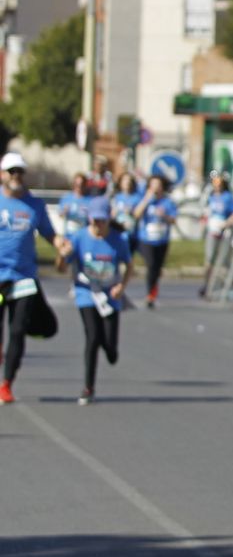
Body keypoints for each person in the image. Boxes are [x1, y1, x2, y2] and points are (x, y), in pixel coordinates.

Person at [0, 152, 72, 404]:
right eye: (11, 172)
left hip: (23, 278)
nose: (16, 176)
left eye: (19, 171)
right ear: (2, 175)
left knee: (18, 330)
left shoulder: (35, 205)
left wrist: (59, 244)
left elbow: (49, 233)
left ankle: (6, 384)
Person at [65, 197, 132, 405]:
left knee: (110, 348)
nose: (98, 225)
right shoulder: (79, 238)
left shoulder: (118, 240)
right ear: (89, 219)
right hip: (86, 292)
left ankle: (110, 347)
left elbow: (129, 266)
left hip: (109, 296)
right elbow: (63, 263)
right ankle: (88, 386)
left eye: (102, 221)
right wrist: (62, 255)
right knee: (92, 337)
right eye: (95, 221)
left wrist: (122, 287)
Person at [133, 174, 179, 308]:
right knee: (151, 264)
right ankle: (149, 293)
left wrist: (164, 215)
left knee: (157, 268)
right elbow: (136, 214)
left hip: (161, 239)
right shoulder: (145, 200)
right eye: (153, 185)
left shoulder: (167, 202)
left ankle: (153, 290)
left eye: (158, 185)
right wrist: (147, 199)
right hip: (146, 238)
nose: (155, 188)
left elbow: (174, 220)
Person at [202, 173, 233, 271]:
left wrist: (226, 223)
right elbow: (207, 212)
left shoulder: (228, 197)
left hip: (224, 231)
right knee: (209, 257)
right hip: (212, 230)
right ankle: (208, 284)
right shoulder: (210, 197)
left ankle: (231, 283)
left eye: (219, 183)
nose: (217, 186)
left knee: (225, 258)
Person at [58, 173, 93, 240]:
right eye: (77, 184)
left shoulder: (90, 200)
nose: (79, 187)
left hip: (84, 236)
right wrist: (64, 211)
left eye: (81, 185)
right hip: (69, 236)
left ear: (85, 185)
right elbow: (60, 215)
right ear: (73, 184)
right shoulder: (67, 198)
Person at [110, 173, 142, 238]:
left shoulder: (137, 197)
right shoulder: (116, 197)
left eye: (129, 180)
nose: (127, 182)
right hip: (118, 231)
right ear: (120, 182)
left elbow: (139, 215)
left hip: (132, 232)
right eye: (125, 180)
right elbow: (112, 214)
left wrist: (131, 212)